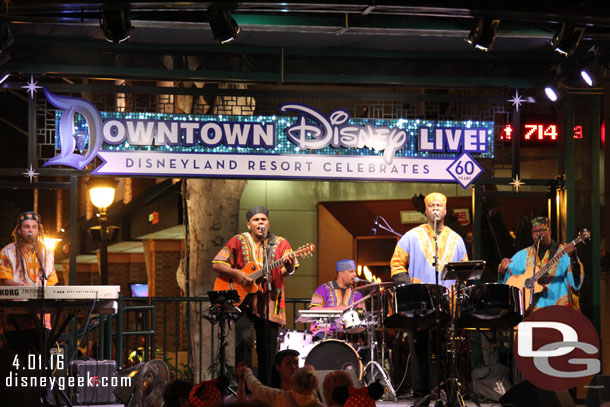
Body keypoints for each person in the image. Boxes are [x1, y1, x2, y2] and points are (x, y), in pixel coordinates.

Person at [389, 192, 468, 402]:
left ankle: (445, 392)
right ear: (425, 210)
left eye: (439, 205)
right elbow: (396, 265)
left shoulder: (457, 240)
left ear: (445, 210)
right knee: (419, 350)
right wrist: (408, 287)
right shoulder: (411, 236)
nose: (435, 208)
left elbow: (464, 272)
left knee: (446, 351)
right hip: (419, 304)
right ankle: (421, 395)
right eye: (431, 205)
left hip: (447, 304)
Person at [212, 206, 297, 386]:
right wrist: (238, 275)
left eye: (263, 219)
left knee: (268, 351)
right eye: (256, 220)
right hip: (244, 304)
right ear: (248, 224)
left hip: (270, 305)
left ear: (269, 223)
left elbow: (286, 271)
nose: (260, 223)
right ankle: (246, 389)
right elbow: (218, 264)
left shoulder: (281, 243)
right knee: (243, 344)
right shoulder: (238, 240)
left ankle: (267, 391)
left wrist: (289, 266)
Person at [0, 211, 58, 356]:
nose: (30, 230)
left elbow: (51, 281)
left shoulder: (46, 252)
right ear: (19, 230)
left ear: (39, 230)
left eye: (34, 227)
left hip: (41, 317)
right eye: (26, 227)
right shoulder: (7, 251)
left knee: (40, 360)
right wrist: (23, 288)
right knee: (18, 361)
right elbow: (4, 280)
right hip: (15, 318)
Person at [498, 216, 583, 310]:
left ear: (549, 231)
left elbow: (576, 278)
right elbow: (508, 277)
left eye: (542, 230)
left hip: (556, 309)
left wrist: (573, 257)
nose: (538, 233)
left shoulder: (563, 252)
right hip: (530, 311)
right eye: (534, 231)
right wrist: (502, 269)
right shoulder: (523, 255)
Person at [309, 259, 364, 339]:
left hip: (349, 334)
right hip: (324, 333)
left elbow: (362, 317)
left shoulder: (357, 294)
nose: (355, 274)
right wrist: (335, 309)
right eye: (351, 271)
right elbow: (312, 310)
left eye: (355, 271)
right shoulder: (323, 289)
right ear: (341, 274)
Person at [237, 361, 325, 407]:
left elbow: (256, 387)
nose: (293, 367)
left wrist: (246, 371)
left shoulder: (280, 397)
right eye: (288, 363)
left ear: (294, 381)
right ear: (315, 385)